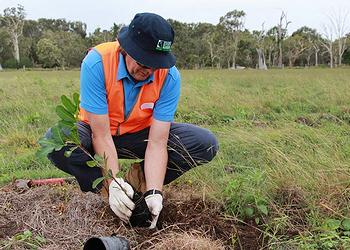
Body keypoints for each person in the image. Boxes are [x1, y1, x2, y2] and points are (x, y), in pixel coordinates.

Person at [46, 13, 218, 228]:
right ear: (126, 49)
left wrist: (155, 191)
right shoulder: (97, 62)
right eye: (144, 62)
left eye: (156, 64)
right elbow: (101, 134)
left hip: (139, 136)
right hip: (94, 132)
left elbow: (157, 141)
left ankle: (139, 185)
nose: (149, 71)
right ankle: (106, 191)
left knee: (205, 142)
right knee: (56, 139)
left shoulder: (169, 76)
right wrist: (113, 183)